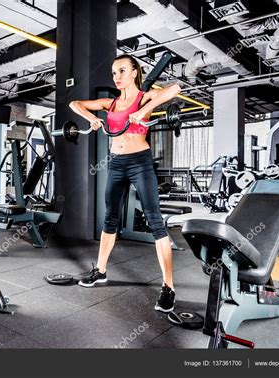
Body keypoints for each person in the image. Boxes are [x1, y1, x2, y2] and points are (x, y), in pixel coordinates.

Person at [68, 54, 181, 313]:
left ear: (134, 72)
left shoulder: (145, 98)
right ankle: (101, 270)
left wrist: (141, 112)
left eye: (121, 71)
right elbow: (75, 103)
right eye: (113, 73)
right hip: (117, 163)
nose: (116, 77)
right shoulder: (111, 104)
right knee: (110, 218)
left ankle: (168, 286)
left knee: (154, 219)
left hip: (140, 162)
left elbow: (175, 89)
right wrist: (92, 118)